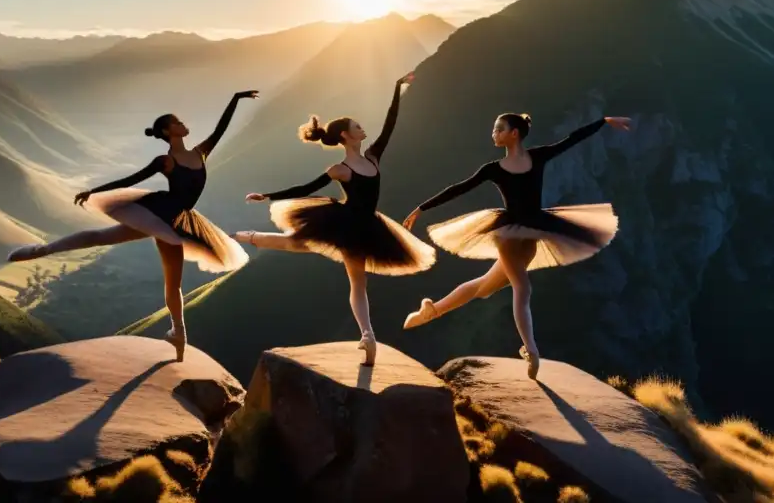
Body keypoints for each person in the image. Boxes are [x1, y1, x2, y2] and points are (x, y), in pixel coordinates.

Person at [7, 90, 258, 361]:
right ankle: (39, 251)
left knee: (170, 280)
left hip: (178, 220)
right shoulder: (166, 161)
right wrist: (93, 191)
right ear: (167, 131)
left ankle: (179, 335)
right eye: (176, 122)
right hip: (157, 213)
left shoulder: (201, 152)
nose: (183, 124)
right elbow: (132, 179)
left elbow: (221, 128)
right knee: (103, 237)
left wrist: (236, 98)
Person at [401, 113, 631, 379]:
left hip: (534, 233)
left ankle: (433, 310)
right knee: (523, 286)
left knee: (484, 287)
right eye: (494, 129)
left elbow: (572, 139)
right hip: (508, 234)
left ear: (514, 133)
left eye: (499, 129)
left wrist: (603, 121)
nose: (494, 133)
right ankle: (531, 350)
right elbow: (459, 188)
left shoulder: (539, 156)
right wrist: (421, 208)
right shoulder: (494, 169)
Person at [233, 73, 435, 366]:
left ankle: (367, 336)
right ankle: (247, 237)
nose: (362, 128)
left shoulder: (373, 157)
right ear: (345, 135)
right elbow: (306, 188)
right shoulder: (339, 169)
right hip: (345, 223)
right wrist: (268, 195)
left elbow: (390, 124)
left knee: (354, 280)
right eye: (357, 126)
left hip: (366, 226)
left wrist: (396, 87)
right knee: (299, 247)